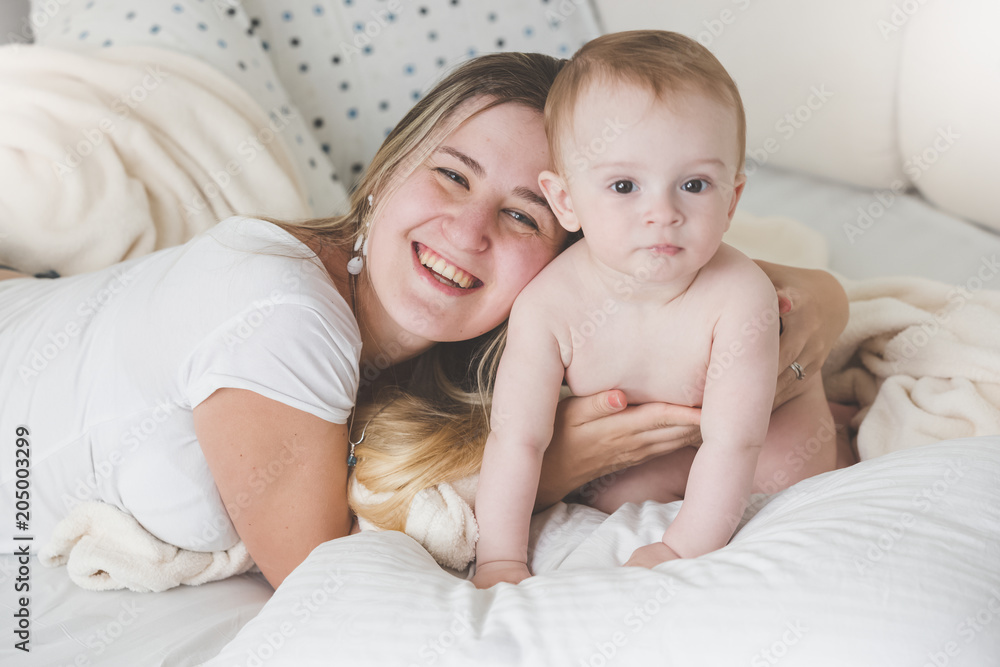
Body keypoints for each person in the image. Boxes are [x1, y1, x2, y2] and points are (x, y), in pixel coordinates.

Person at [0, 50, 849, 591]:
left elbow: (677, 266)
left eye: (522, 216)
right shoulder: (281, 314)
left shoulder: (501, 330)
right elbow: (320, 576)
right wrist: (551, 469)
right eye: (450, 175)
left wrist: (819, 297)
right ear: (386, 172)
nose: (469, 231)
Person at [472, 31, 845, 589]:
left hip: (760, 433)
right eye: (625, 185)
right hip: (661, 446)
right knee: (613, 494)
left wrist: (681, 546)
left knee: (795, 482)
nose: (662, 213)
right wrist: (499, 560)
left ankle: (841, 434)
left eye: (694, 185)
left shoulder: (738, 293)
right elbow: (516, 439)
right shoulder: (548, 307)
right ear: (565, 200)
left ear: (732, 200)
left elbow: (733, 441)